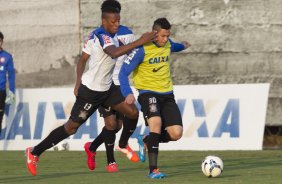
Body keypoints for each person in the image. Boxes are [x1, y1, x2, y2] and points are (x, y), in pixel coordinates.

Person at [25, 0, 156, 176]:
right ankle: (34, 152)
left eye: (118, 20)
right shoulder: (101, 35)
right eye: (113, 21)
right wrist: (79, 83)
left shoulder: (116, 34)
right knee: (71, 127)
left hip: (108, 89)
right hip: (91, 92)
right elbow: (113, 53)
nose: (117, 24)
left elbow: (83, 60)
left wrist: (77, 80)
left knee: (132, 113)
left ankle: (123, 144)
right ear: (104, 21)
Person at [119, 18, 190, 179]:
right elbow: (123, 72)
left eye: (168, 36)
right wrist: (127, 93)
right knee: (156, 123)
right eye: (163, 36)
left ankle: (146, 140)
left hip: (167, 94)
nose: (166, 39)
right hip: (148, 93)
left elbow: (175, 46)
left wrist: (183, 46)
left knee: (176, 133)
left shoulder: (168, 44)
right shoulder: (141, 49)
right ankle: (153, 170)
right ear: (155, 33)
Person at [83, 0, 139, 173]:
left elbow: (135, 55)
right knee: (111, 123)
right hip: (104, 85)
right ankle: (111, 162)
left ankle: (92, 147)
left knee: (119, 125)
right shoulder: (96, 35)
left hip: (120, 85)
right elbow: (87, 58)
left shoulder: (128, 34)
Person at [0, 31, 16, 136]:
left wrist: (12, 92)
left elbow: (11, 76)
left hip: (1, 92)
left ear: (2, 42)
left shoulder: (7, 56)